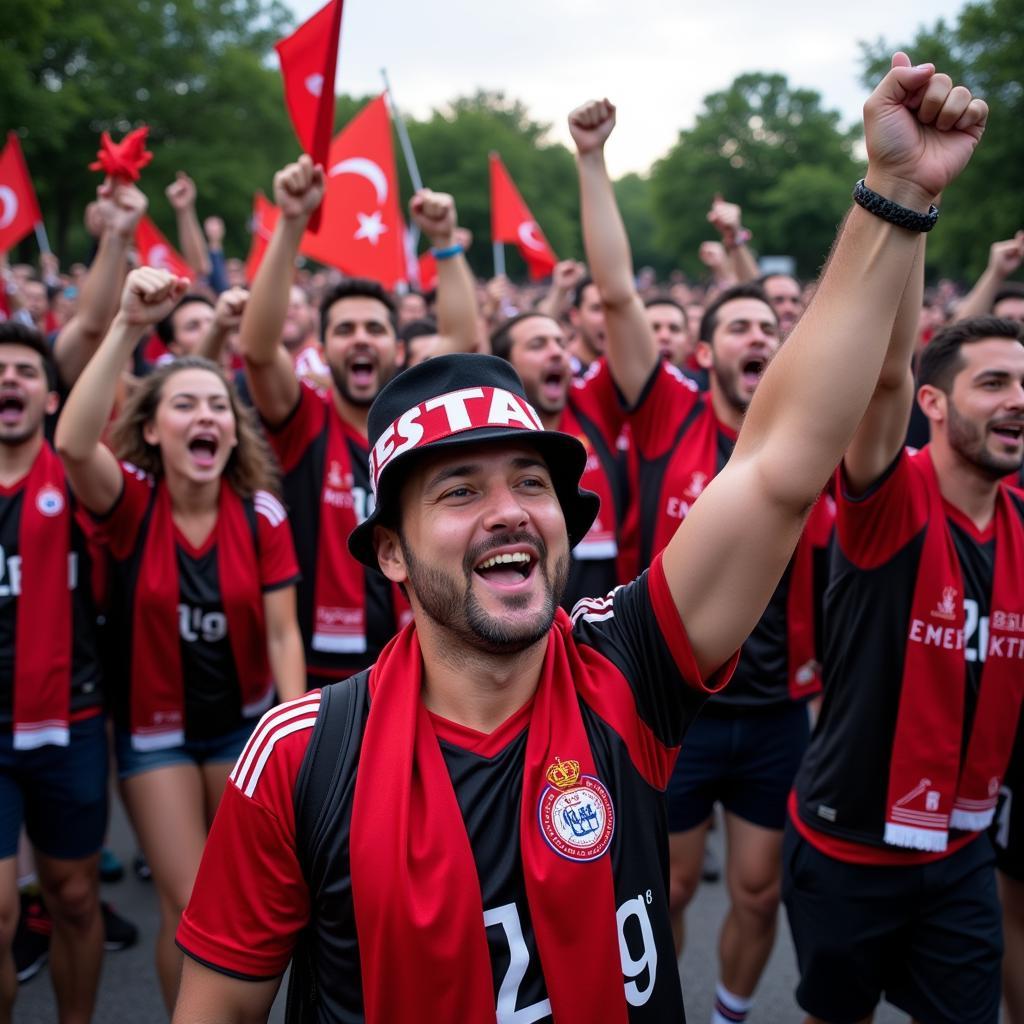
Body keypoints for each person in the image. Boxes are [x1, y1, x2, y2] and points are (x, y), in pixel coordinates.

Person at [171, 55, 986, 1023]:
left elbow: (776, 460)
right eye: (460, 489)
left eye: (531, 480)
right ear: (389, 550)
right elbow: (216, 1009)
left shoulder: (625, 664)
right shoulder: (300, 758)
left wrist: (892, 195)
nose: (509, 509)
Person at [571, 96, 836, 1024]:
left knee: (757, 891)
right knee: (672, 889)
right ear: (704, 349)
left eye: (772, 328)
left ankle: (726, 1013)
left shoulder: (812, 440)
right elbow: (614, 297)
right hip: (672, 698)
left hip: (775, 711)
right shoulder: (666, 415)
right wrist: (593, 159)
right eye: (739, 327)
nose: (759, 337)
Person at [54, 267, 305, 1013]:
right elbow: (72, 443)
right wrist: (129, 323)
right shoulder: (130, 502)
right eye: (185, 404)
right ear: (153, 427)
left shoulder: (260, 511)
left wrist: (294, 732)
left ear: (234, 427)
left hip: (241, 727)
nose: (207, 417)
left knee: (240, 911)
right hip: (153, 736)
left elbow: (285, 631)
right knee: (192, 906)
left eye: (218, 406)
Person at [784, 310, 1021, 1020]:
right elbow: (885, 369)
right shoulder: (890, 499)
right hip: (847, 851)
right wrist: (907, 206)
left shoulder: (1017, 525)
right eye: (995, 382)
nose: (1018, 399)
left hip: (960, 852)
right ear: (933, 404)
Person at [237, 161, 477, 687]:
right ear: (323, 351)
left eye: (375, 327)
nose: (361, 338)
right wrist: (292, 221)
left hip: (422, 669)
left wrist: (444, 242)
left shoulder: (420, 427)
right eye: (345, 330)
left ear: (396, 346)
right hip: (324, 674)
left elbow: (462, 334)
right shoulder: (305, 422)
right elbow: (256, 348)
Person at [0, 323, 107, 1024]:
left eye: (26, 371)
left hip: (71, 716)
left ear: (49, 396)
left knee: (72, 896)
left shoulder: (75, 475)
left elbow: (95, 323)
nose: (10, 379)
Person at [490, 311, 631, 608]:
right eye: (538, 345)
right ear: (506, 365)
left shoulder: (591, 402)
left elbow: (621, 314)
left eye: (560, 343)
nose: (556, 352)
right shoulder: (486, 438)